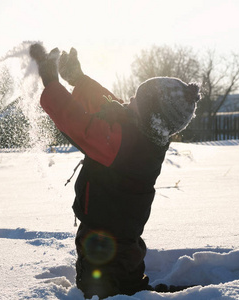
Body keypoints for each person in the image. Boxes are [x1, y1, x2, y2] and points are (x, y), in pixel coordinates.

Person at [29, 43, 200, 299]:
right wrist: (79, 80)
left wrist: (52, 82)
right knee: (127, 283)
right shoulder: (144, 133)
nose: (129, 100)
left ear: (151, 116)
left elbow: (80, 124)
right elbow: (111, 104)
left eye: (137, 100)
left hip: (105, 245)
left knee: (101, 292)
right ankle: (137, 291)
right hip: (121, 240)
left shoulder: (126, 145)